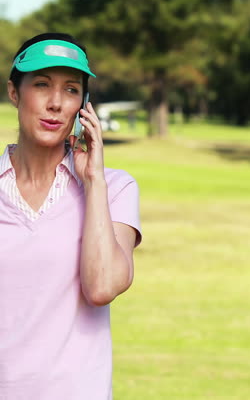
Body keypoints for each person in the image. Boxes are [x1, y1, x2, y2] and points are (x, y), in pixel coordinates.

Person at [0, 33, 142, 400]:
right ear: (15, 93)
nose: (55, 104)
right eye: (42, 85)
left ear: (84, 104)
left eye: (71, 89)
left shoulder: (115, 188)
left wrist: (93, 181)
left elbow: (102, 287)